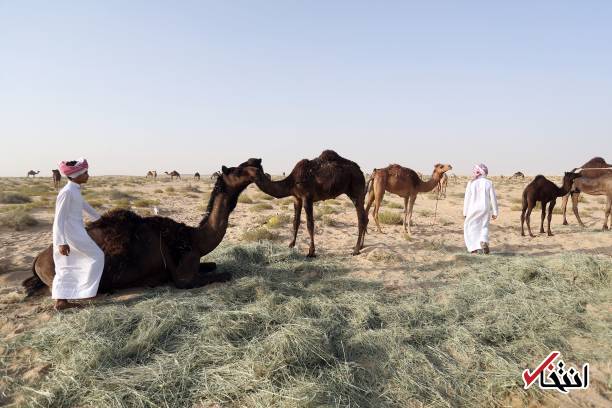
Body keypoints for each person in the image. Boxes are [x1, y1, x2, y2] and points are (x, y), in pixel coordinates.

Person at [52, 158, 104, 310]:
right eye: (85, 172)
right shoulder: (67, 192)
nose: (88, 175)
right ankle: (81, 293)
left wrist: (102, 219)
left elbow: (86, 207)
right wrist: (61, 241)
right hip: (70, 233)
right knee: (96, 256)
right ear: (76, 175)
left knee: (70, 264)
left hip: (77, 230)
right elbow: (58, 219)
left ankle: (64, 300)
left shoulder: (74, 190)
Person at [463, 163, 498, 254]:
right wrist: (495, 212)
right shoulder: (489, 183)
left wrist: (465, 213)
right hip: (485, 208)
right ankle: (483, 240)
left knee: (470, 227)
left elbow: (467, 199)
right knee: (484, 226)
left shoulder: (471, 183)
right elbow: (493, 198)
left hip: (472, 209)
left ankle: (473, 248)